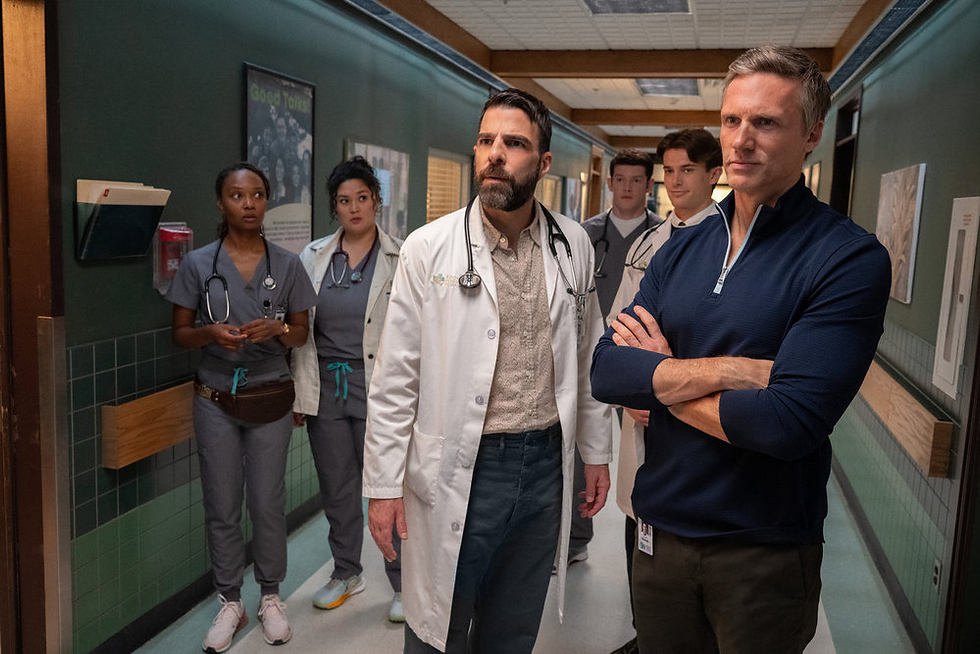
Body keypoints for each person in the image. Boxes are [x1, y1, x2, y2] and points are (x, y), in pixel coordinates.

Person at [591, 45, 892, 653]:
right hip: (660, 536)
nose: (742, 140)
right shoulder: (681, 248)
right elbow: (607, 370)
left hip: (761, 552)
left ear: (810, 134)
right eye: (732, 121)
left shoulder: (846, 258)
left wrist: (662, 380)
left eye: (766, 122)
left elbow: (786, 423)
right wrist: (724, 371)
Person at [363, 88, 612, 653]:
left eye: (514, 143)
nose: (494, 153)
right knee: (439, 626)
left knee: (513, 627)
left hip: (546, 464)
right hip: (465, 465)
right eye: (485, 140)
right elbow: (395, 377)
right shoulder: (430, 249)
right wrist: (382, 487)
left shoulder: (572, 245)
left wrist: (595, 452)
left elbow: (586, 355)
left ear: (544, 164)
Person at [167, 162, 317, 652]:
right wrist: (210, 334)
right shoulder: (198, 264)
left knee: (267, 501)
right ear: (221, 202)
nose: (248, 203)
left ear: (266, 201)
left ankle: (271, 597)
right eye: (237, 195)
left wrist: (278, 331)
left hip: (269, 395)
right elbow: (181, 333)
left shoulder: (288, 265)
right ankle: (230, 601)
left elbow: (302, 331)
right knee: (222, 502)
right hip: (215, 398)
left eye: (256, 194)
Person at [605, 128, 722, 654]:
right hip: (644, 408)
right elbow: (621, 328)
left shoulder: (732, 239)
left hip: (697, 408)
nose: (676, 182)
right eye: (669, 171)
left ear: (714, 174)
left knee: (688, 525)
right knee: (641, 522)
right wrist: (632, 392)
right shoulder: (649, 243)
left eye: (688, 171)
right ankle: (646, 633)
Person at [291, 156, 404, 622]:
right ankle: (346, 572)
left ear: (377, 202)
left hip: (379, 388)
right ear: (334, 207)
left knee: (389, 486)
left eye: (362, 198)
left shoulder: (403, 256)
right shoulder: (313, 257)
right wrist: (298, 393)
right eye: (344, 201)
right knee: (337, 487)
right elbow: (298, 329)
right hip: (325, 388)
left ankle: (403, 583)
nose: (354, 208)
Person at [568, 149, 659, 571]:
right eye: (619, 179)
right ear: (609, 183)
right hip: (587, 354)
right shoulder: (582, 236)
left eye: (636, 180)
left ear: (647, 184)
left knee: (640, 450)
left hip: (639, 360)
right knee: (577, 447)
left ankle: (643, 540)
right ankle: (575, 537)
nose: (626, 187)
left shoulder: (665, 236)